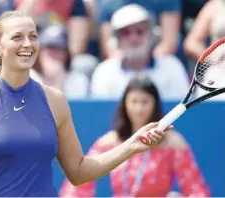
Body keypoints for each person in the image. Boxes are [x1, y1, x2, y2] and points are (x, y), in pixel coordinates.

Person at [0, 11, 172, 197]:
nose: (28, 44)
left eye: (33, 36)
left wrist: (131, 145)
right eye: (17, 37)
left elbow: (79, 171)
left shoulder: (56, 100)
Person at [60, 76, 210, 197]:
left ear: (154, 104)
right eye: (134, 101)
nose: (139, 108)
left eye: (145, 102)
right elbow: (79, 184)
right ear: (125, 104)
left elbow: (196, 189)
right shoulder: (110, 141)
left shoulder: (173, 143)